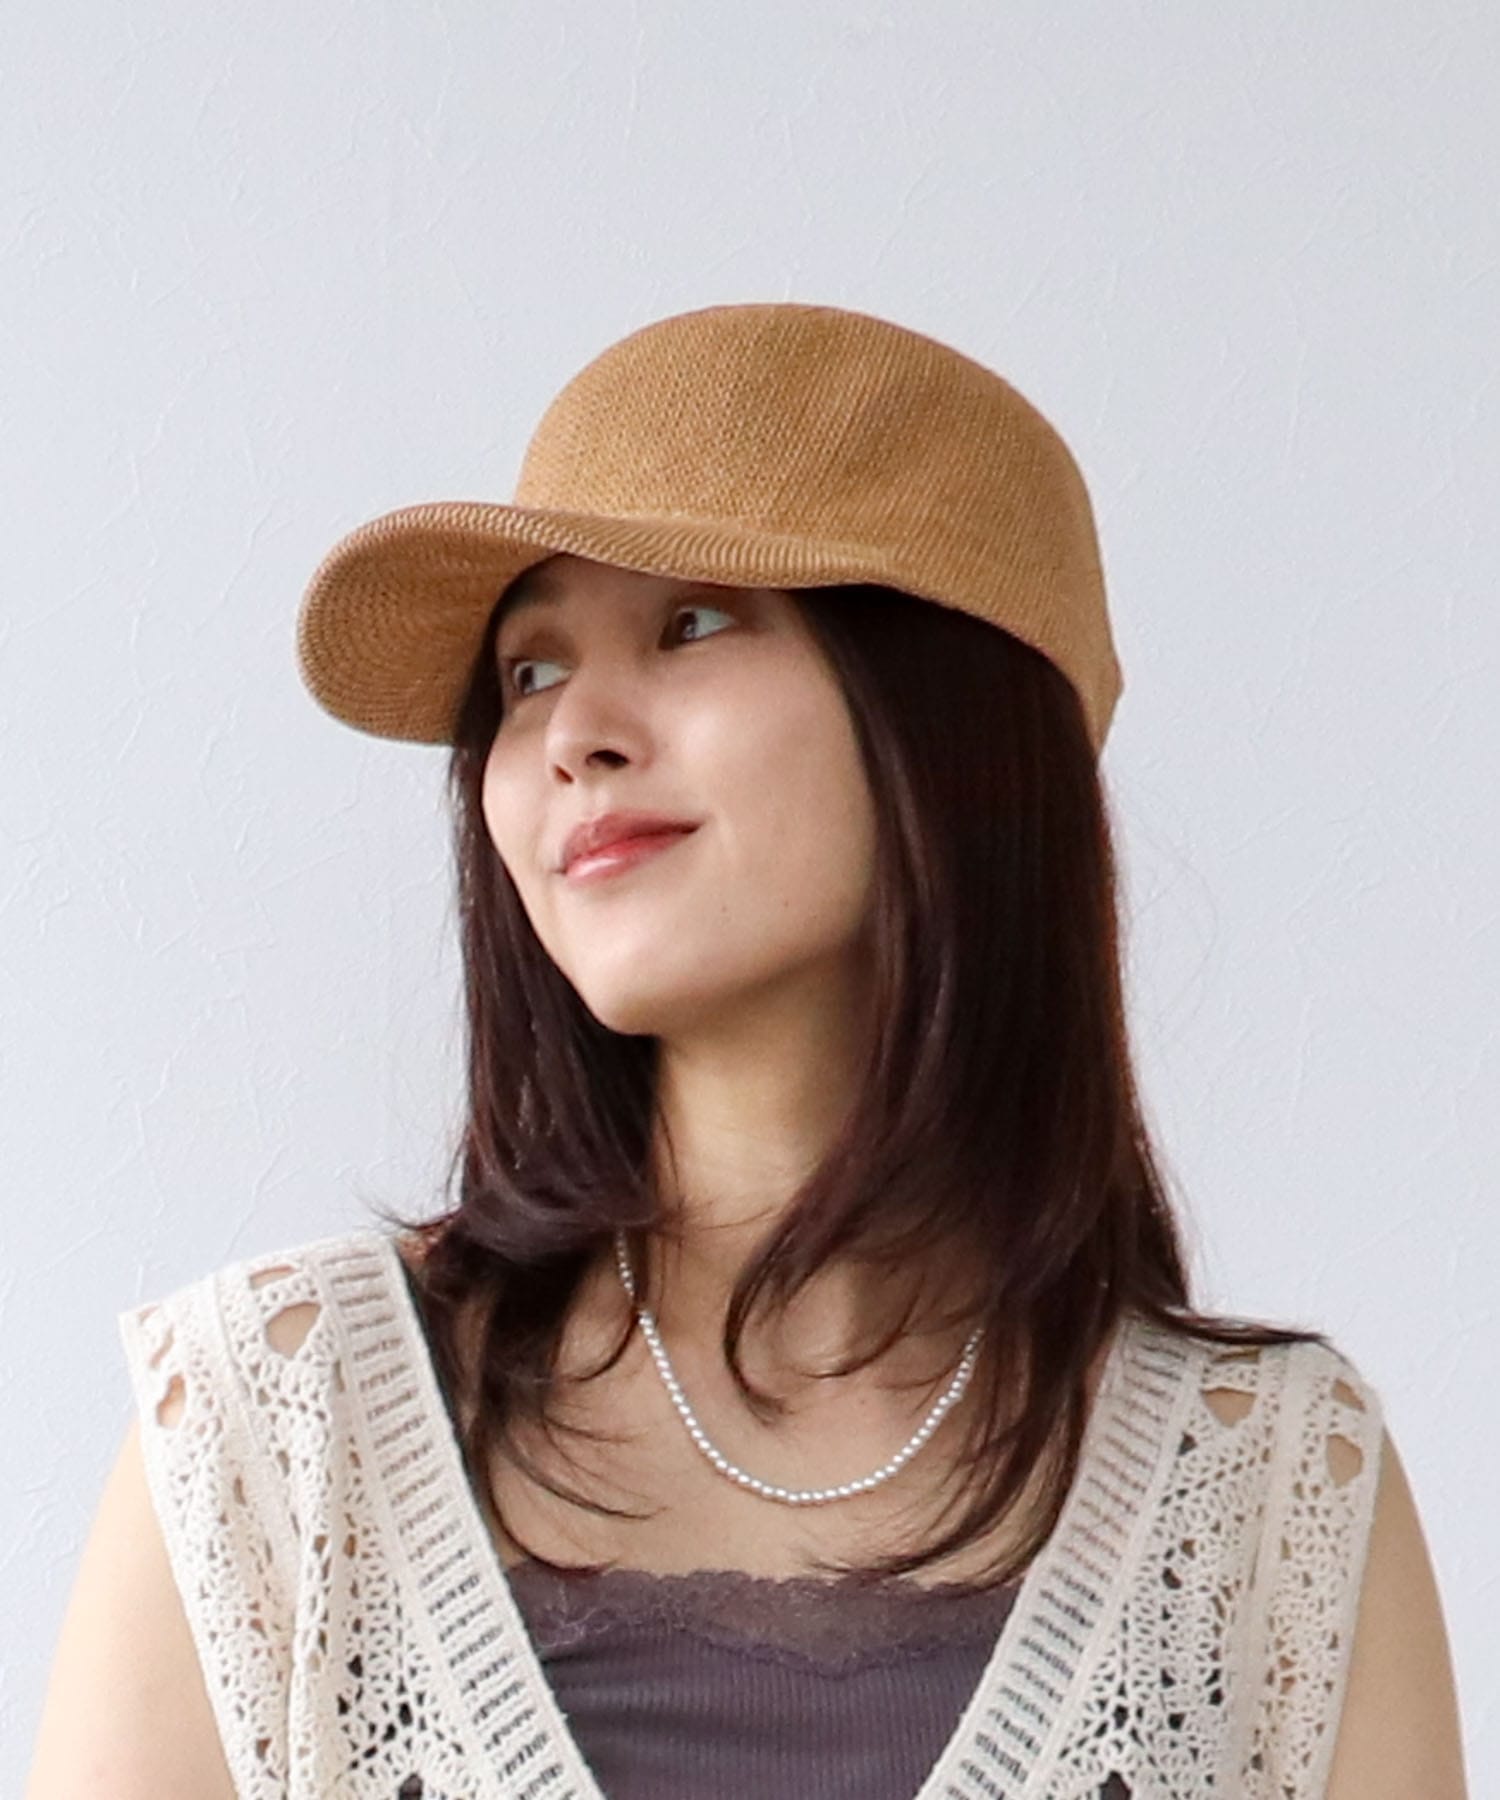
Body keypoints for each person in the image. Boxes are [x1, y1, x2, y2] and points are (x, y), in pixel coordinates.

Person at [28, 301, 1466, 1798]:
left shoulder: (1273, 1488)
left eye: (693, 624)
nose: (573, 732)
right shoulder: (273, 1429)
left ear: (952, 712)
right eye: (528, 673)